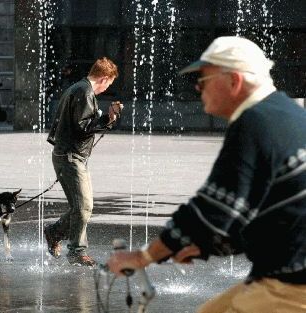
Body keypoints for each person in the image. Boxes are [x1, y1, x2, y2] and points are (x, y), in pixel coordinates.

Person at [106, 36, 306, 312]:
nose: (198, 89)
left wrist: (142, 257)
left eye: (203, 80)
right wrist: (207, 244)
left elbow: (212, 210)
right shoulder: (286, 113)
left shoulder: (254, 123)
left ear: (234, 80)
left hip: (291, 286)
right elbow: (258, 209)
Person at [45, 57, 123, 266]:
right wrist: (108, 119)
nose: (106, 89)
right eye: (109, 84)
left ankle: (54, 232)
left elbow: (80, 124)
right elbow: (83, 127)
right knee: (84, 206)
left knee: (80, 206)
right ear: (104, 78)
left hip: (69, 156)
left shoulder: (78, 88)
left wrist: (105, 119)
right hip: (70, 157)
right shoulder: (84, 91)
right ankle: (77, 251)